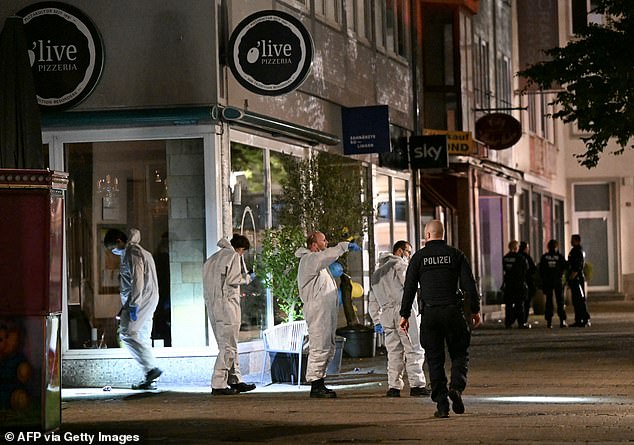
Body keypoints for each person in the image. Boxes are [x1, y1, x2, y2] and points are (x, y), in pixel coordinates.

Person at [399, 220, 481, 418]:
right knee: (460, 353)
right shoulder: (456, 255)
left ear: (427, 235)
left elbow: (409, 288)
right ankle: (456, 388)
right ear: (442, 234)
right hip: (453, 312)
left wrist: (404, 314)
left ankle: (442, 404)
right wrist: (475, 310)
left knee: (434, 360)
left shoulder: (418, 258)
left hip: (431, 314)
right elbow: (469, 284)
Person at [295, 231, 359, 398]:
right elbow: (326, 256)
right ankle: (316, 385)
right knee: (319, 345)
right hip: (317, 310)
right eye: (323, 240)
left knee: (326, 345)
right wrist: (343, 246)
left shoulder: (315, 262)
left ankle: (320, 382)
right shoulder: (310, 259)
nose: (327, 242)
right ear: (314, 245)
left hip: (322, 309)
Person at [103, 228, 163, 390]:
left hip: (141, 299)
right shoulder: (139, 252)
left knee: (126, 333)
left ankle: (151, 369)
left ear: (118, 241)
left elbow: (137, 281)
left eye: (112, 249)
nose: (113, 252)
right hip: (145, 298)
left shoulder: (133, 253)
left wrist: (133, 305)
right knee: (141, 336)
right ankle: (150, 378)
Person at [368, 241, 429, 398]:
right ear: (400, 251)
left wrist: (377, 321)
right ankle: (417, 385)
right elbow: (410, 287)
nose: (409, 256)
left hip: (387, 315)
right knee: (413, 348)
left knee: (394, 352)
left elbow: (372, 301)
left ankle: (394, 386)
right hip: (404, 312)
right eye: (408, 252)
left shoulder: (377, 273)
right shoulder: (400, 265)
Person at [203, 234, 257, 395]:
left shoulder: (212, 258)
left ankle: (235, 379)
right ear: (241, 249)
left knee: (226, 344)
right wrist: (248, 278)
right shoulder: (233, 256)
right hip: (227, 306)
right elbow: (233, 279)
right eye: (243, 252)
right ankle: (218, 383)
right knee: (229, 346)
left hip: (213, 306)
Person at [539, 239, 568, 328]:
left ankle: (549, 321)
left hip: (548, 281)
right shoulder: (559, 257)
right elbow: (566, 267)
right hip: (557, 281)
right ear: (556, 247)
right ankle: (562, 321)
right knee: (560, 301)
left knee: (549, 301)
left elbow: (541, 270)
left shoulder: (544, 257)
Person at [502, 240, 530, 328]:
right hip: (518, 284)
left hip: (509, 283)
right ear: (515, 247)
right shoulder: (520, 258)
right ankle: (521, 323)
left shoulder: (505, 258)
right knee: (519, 304)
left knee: (509, 304)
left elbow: (505, 269)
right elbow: (526, 269)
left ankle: (508, 322)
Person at [567, 234, 591, 327]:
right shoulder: (576, 250)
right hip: (576, 277)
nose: (570, 242)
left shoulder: (577, 251)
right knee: (576, 300)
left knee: (579, 299)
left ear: (577, 241)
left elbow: (577, 266)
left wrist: (572, 276)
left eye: (572, 240)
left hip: (577, 278)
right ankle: (578, 319)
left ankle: (585, 318)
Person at [519, 241, 537, 323]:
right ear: (526, 248)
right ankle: (523, 320)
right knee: (526, 302)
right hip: (526, 283)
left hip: (515, 283)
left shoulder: (516, 256)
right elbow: (533, 269)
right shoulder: (526, 257)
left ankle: (516, 320)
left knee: (518, 302)